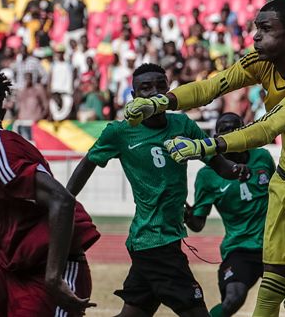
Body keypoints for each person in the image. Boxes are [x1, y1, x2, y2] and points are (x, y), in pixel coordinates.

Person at [125, 0, 285, 317]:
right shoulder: (261, 60)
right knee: (269, 291)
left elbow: (269, 126)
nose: (255, 36)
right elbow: (213, 87)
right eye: (255, 29)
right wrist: (159, 103)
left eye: (265, 29)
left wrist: (207, 146)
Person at [67, 64, 246, 317]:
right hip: (154, 241)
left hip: (162, 238)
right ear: (133, 96)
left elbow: (221, 166)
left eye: (161, 86)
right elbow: (86, 165)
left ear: (169, 90)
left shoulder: (182, 124)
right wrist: (64, 201)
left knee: (133, 314)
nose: (154, 92)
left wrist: (239, 169)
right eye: (146, 88)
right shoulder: (120, 132)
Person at [0, 65, 100, 316]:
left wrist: (53, 278)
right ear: (2, 110)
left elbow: (62, 201)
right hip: (20, 271)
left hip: (50, 274)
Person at [184, 113, 285, 317]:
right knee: (233, 298)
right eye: (225, 133)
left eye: (236, 130)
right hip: (239, 247)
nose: (231, 136)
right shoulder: (207, 175)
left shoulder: (262, 157)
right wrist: (187, 215)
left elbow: (279, 193)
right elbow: (197, 224)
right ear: (218, 137)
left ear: (245, 131)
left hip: (276, 242)